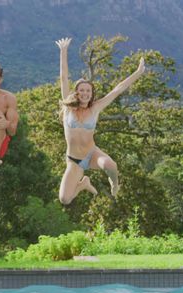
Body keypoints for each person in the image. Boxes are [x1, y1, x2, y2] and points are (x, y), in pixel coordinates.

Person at [55, 37, 145, 204]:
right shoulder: (68, 107)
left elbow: (118, 89)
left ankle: (115, 184)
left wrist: (138, 73)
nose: (85, 93)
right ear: (76, 92)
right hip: (74, 161)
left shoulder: (95, 108)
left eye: (88, 91)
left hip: (91, 154)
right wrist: (63, 51)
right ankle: (83, 185)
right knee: (65, 199)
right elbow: (63, 77)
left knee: (110, 166)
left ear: (91, 93)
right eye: (82, 90)